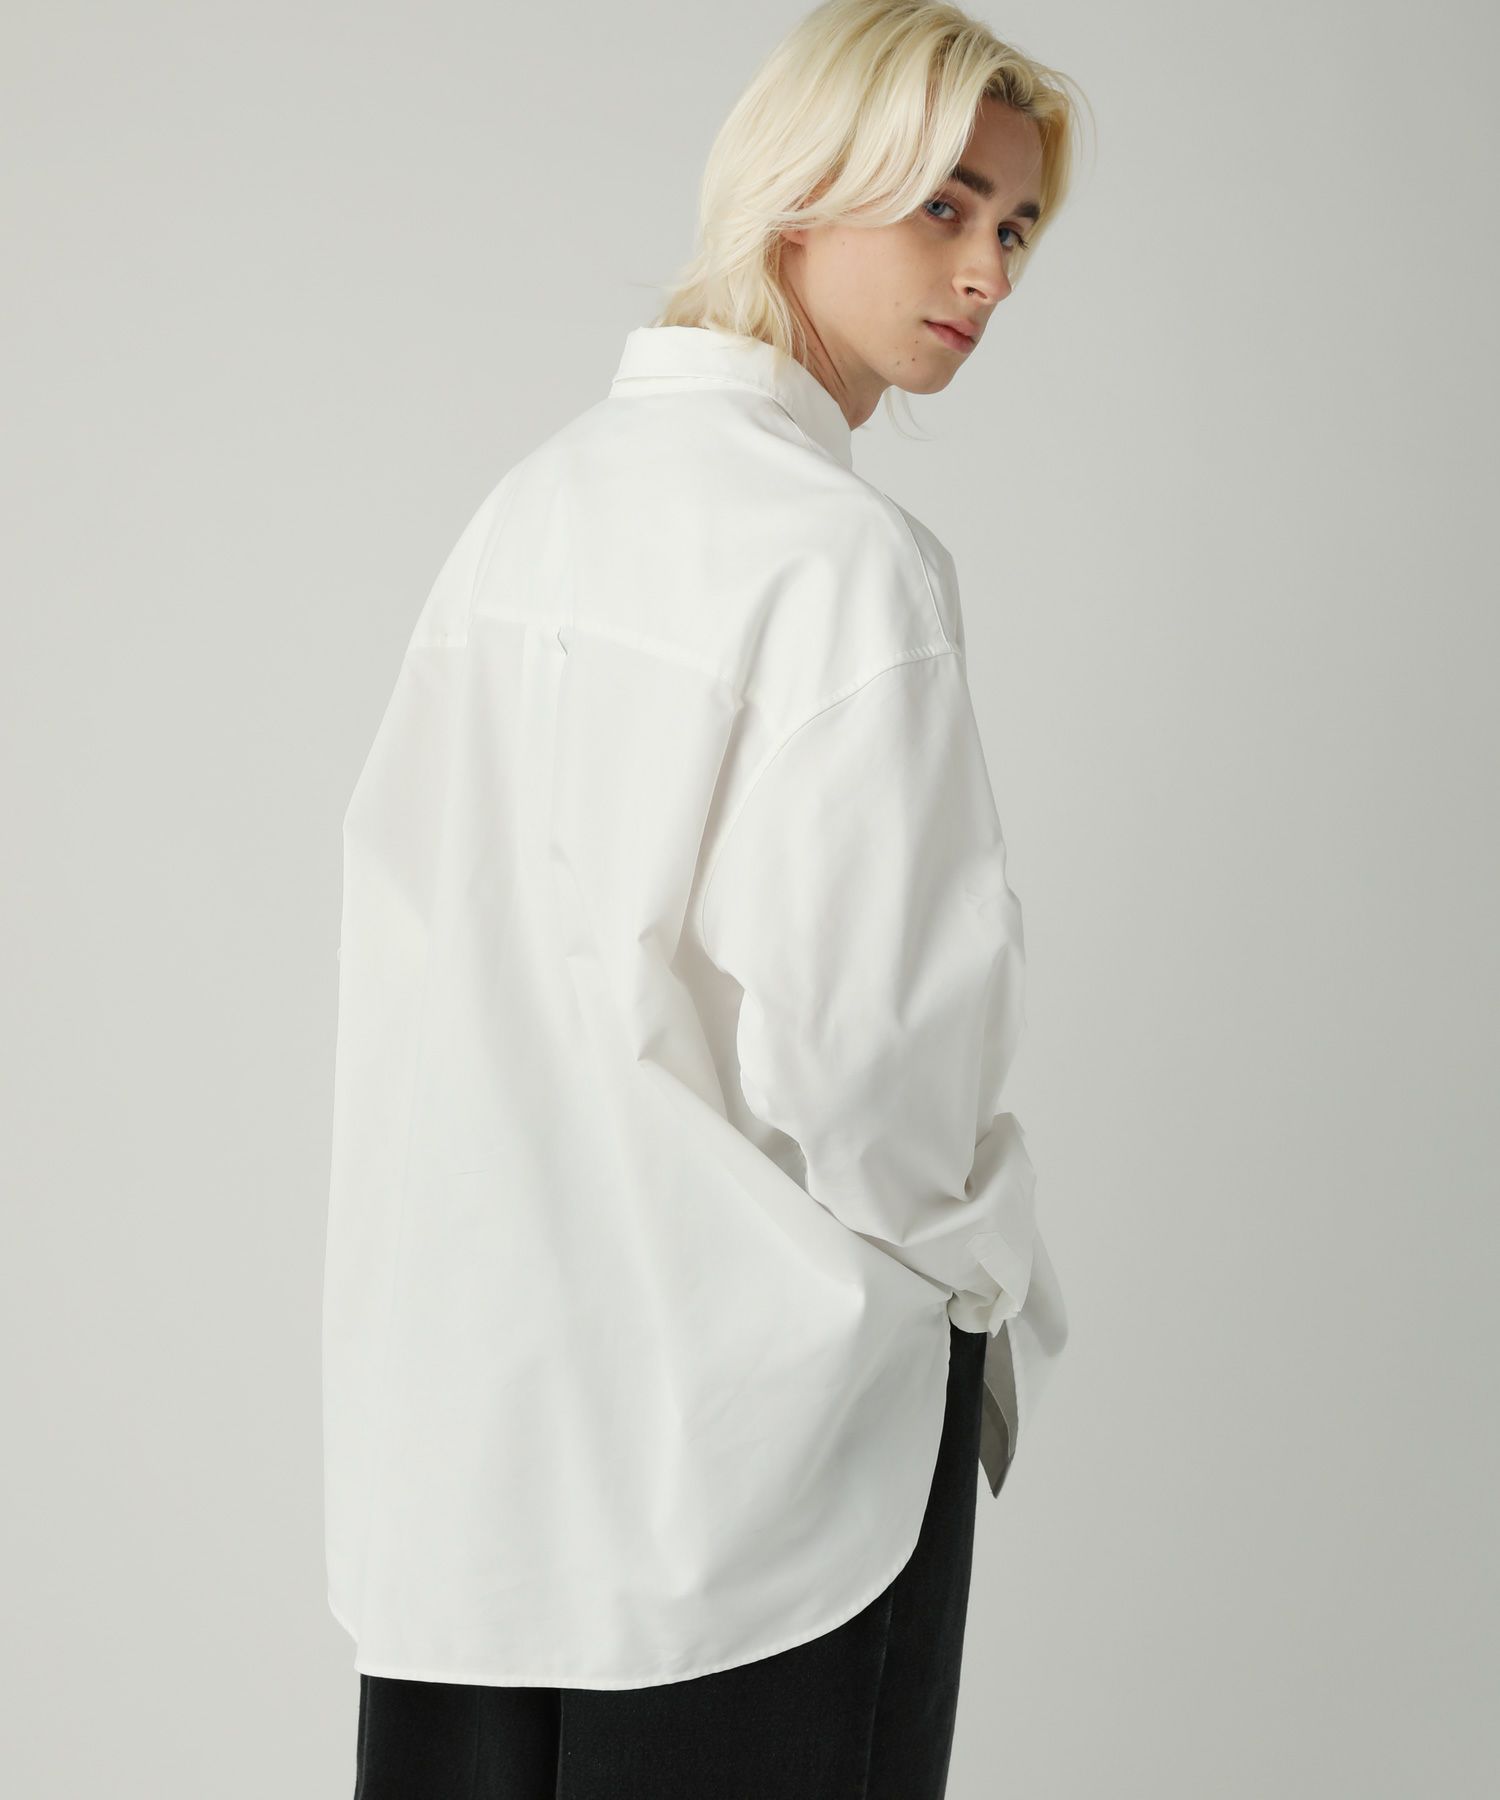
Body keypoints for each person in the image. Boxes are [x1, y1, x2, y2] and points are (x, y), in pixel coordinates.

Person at [323, 2, 1087, 1794]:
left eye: (1017, 228)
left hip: (479, 1452)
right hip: (766, 1466)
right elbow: (880, 1065)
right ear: (804, 189)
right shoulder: (847, 565)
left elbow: (417, 959)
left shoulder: (529, 513)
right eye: (945, 206)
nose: (987, 273)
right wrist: (991, 1284)